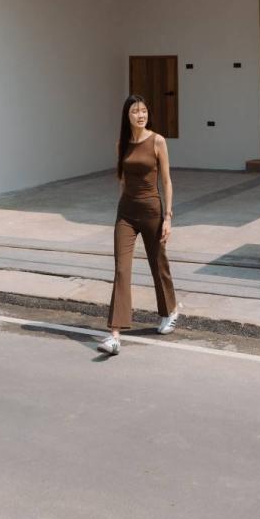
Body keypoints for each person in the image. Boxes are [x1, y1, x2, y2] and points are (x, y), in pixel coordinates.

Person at [98, 94, 178, 356]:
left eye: (143, 110)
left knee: (158, 263)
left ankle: (170, 310)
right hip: (126, 214)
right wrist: (123, 205)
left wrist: (168, 217)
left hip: (152, 211)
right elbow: (122, 181)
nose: (140, 115)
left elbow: (166, 181)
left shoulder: (157, 141)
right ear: (127, 115)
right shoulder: (122, 144)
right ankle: (115, 335)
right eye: (135, 111)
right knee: (122, 269)